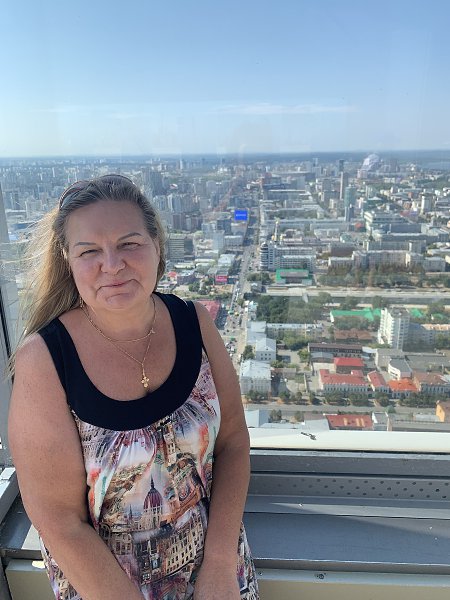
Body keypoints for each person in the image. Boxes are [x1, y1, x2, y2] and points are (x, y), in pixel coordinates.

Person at [8, 175, 259, 600]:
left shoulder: (194, 323)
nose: (112, 264)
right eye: (89, 251)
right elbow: (59, 521)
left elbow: (233, 441)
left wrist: (220, 567)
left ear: (157, 245)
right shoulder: (47, 360)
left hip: (222, 580)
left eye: (129, 243)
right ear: (68, 261)